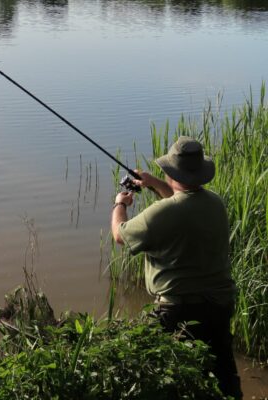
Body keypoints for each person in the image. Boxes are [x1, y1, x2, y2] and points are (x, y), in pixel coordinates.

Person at [110, 136, 242, 399]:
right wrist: (154, 183)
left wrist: (120, 204)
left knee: (171, 377)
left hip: (179, 311)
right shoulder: (214, 203)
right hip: (219, 304)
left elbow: (120, 235)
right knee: (223, 371)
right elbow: (182, 199)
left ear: (172, 172)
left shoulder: (164, 212)